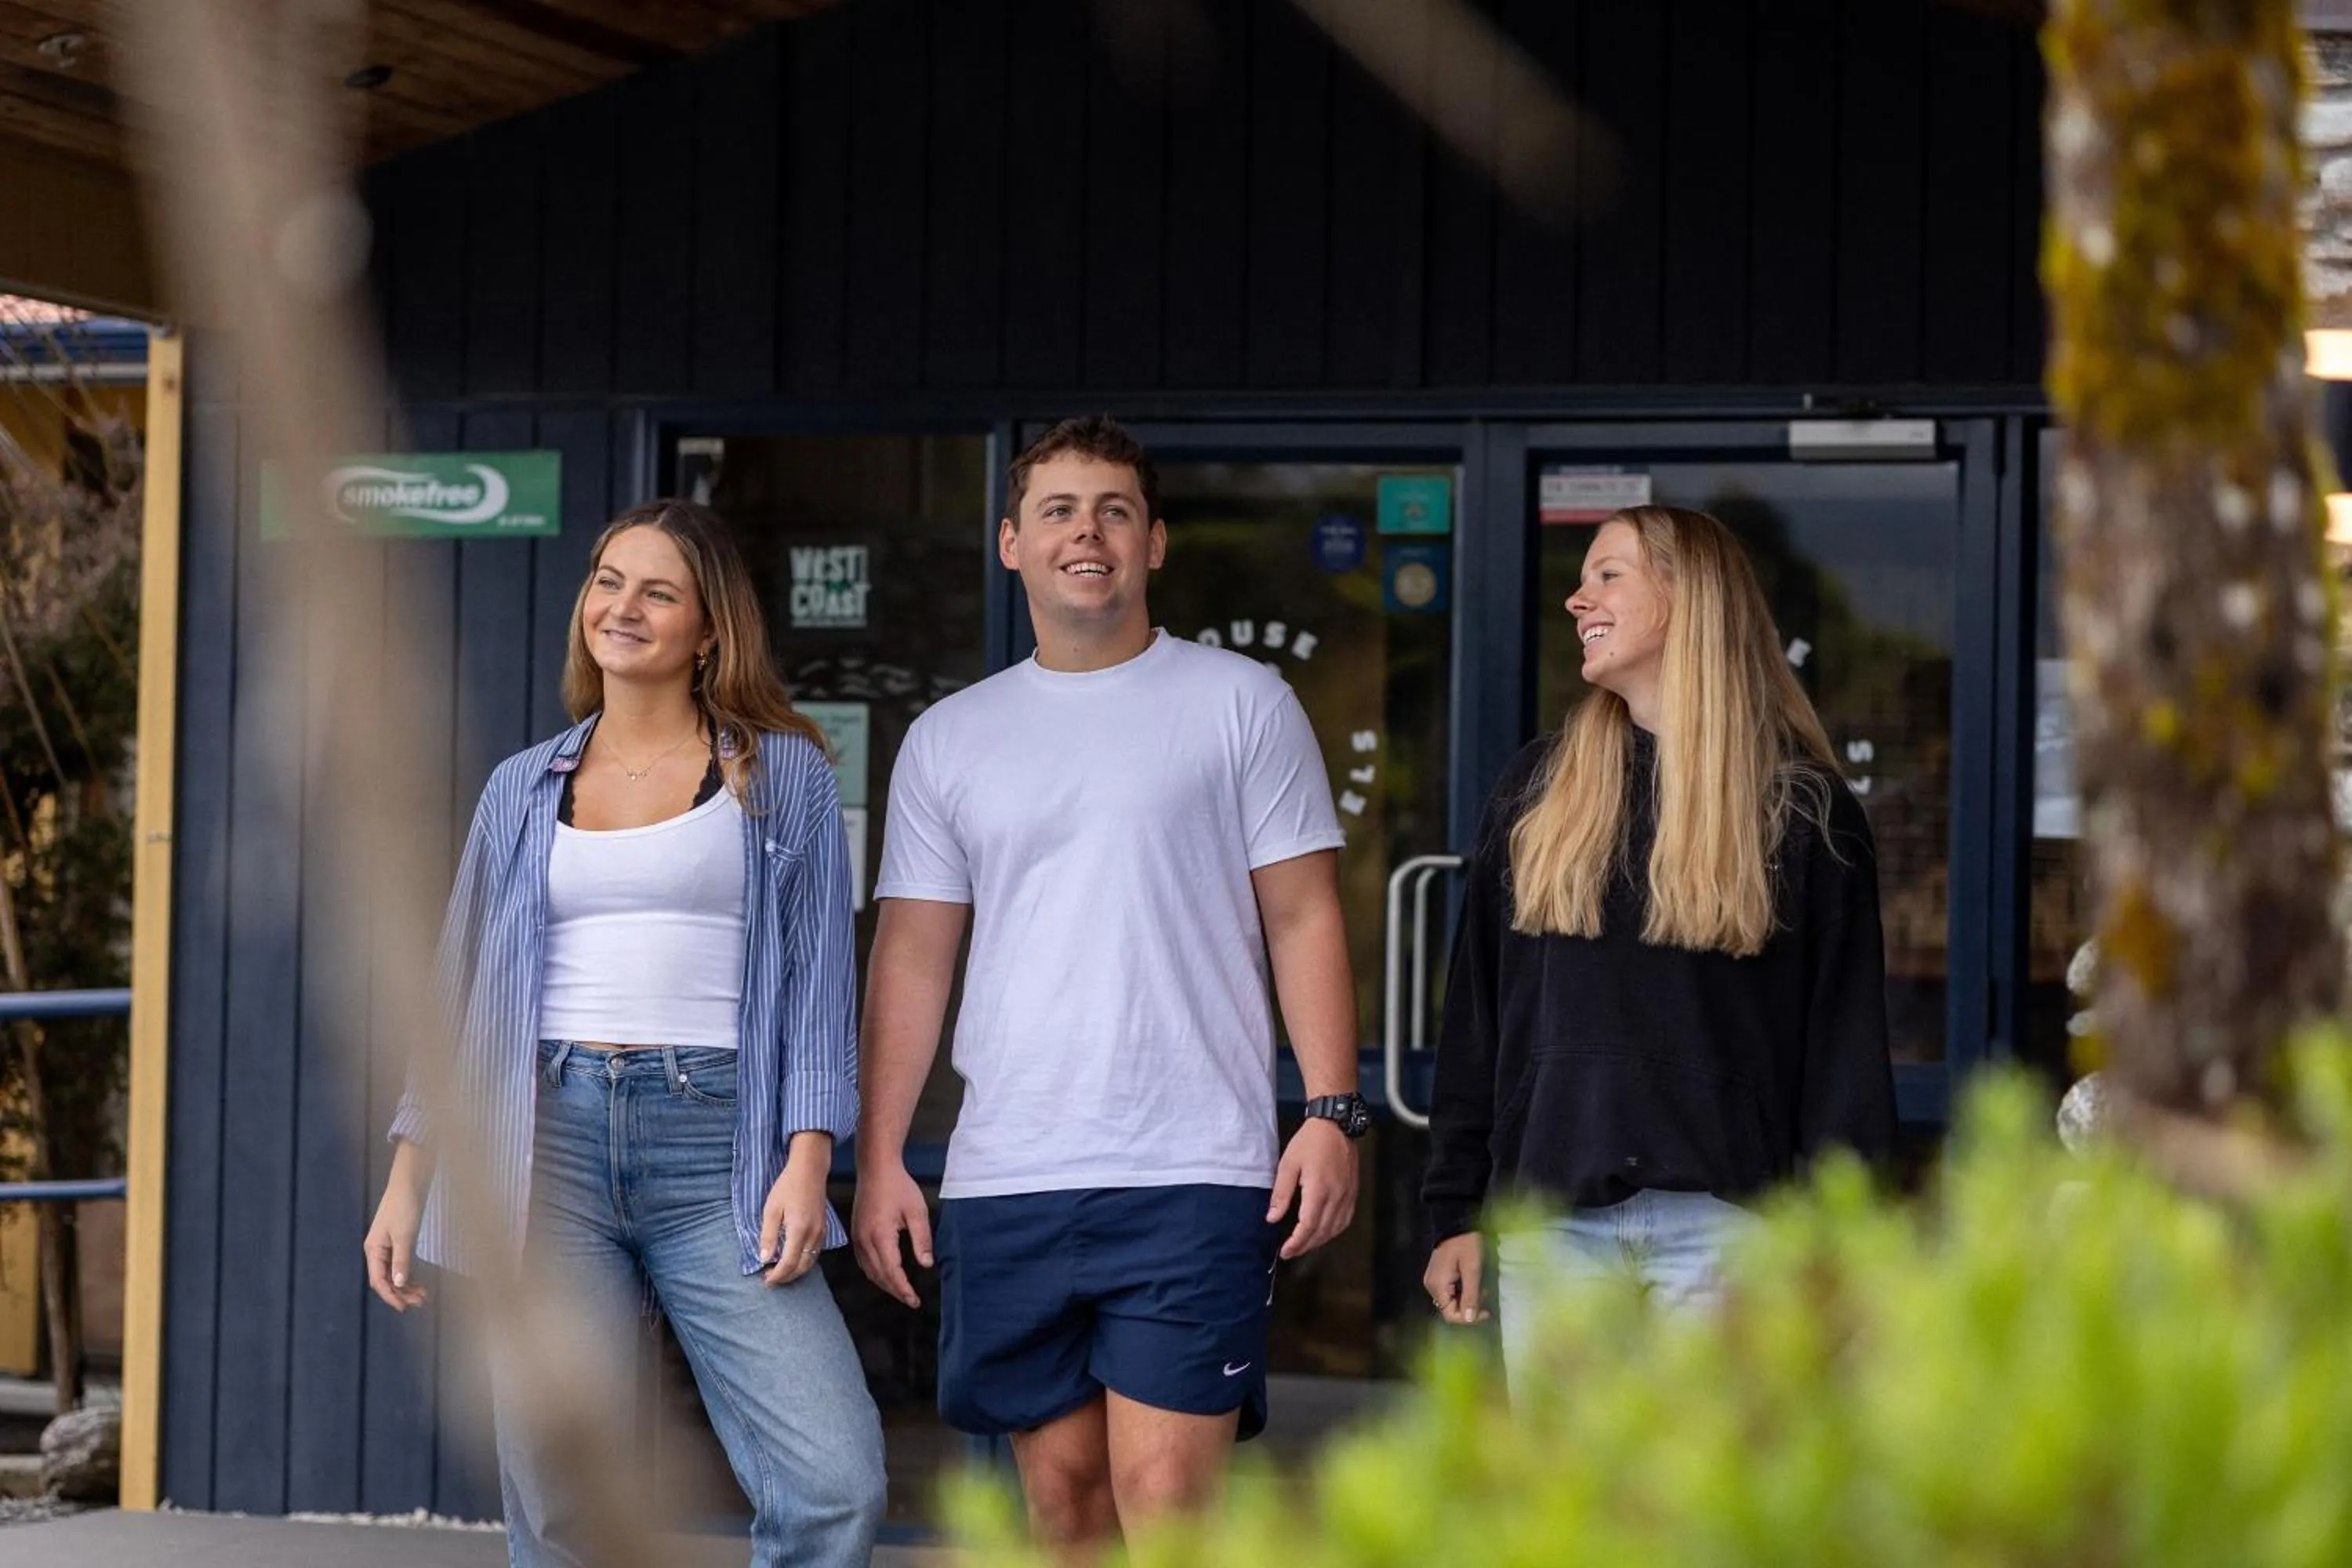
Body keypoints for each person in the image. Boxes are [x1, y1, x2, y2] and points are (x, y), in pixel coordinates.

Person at [852, 415, 1368, 1559]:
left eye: (1115, 512)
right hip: (1012, 1174)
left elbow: (1303, 915)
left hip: (1192, 1168)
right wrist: (882, 1154)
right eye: (1059, 512)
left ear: (1156, 544)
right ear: (1012, 545)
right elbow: (913, 956)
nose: (1088, 533)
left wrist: (1330, 1110)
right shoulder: (952, 739)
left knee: (1166, 1502)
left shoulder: (1243, 703)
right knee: (1066, 1506)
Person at [361, 499, 886, 1567]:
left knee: (834, 1480)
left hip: (721, 1152)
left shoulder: (783, 774)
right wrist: (408, 1181)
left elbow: (828, 990)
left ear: (709, 629)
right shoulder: (521, 788)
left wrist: (809, 1156)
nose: (624, 607)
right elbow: (457, 992)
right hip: (542, 1144)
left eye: (659, 590)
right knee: (561, 1502)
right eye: (609, 581)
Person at [1421, 504, 1895, 1382]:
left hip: (1735, 1235)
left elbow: (1845, 1057)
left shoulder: (1802, 809)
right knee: (1569, 1511)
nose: (1575, 598)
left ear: (1689, 597)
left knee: (1707, 1513)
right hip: (1551, 1226)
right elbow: (1482, 1017)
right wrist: (1454, 1206)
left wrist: (1839, 1249)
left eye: (1608, 573)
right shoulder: (1539, 785)